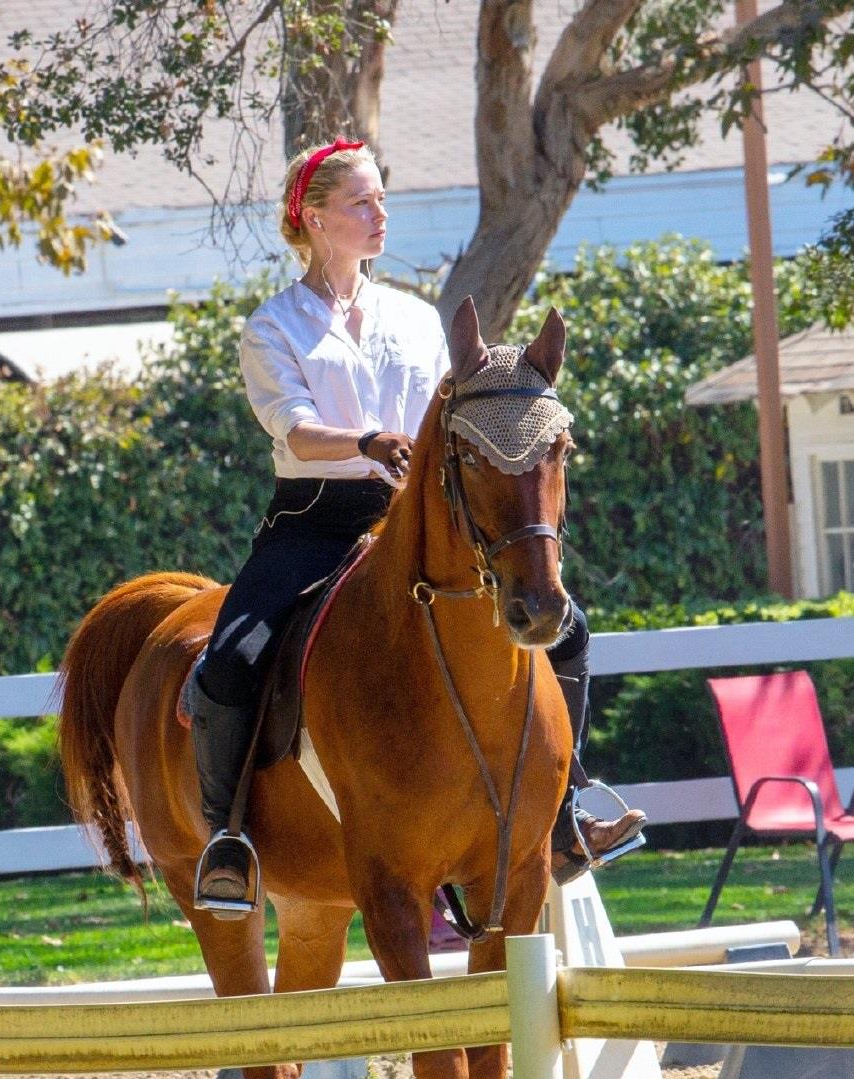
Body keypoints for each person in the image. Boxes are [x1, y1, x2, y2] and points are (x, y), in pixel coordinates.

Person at [188, 137, 644, 918]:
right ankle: (227, 837)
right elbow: (295, 433)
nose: (379, 214)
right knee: (232, 661)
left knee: (566, 630)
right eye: (362, 203)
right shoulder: (273, 328)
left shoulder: (414, 318)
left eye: (381, 200)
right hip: (316, 522)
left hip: (423, 524)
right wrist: (365, 442)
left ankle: (562, 810)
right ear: (314, 218)